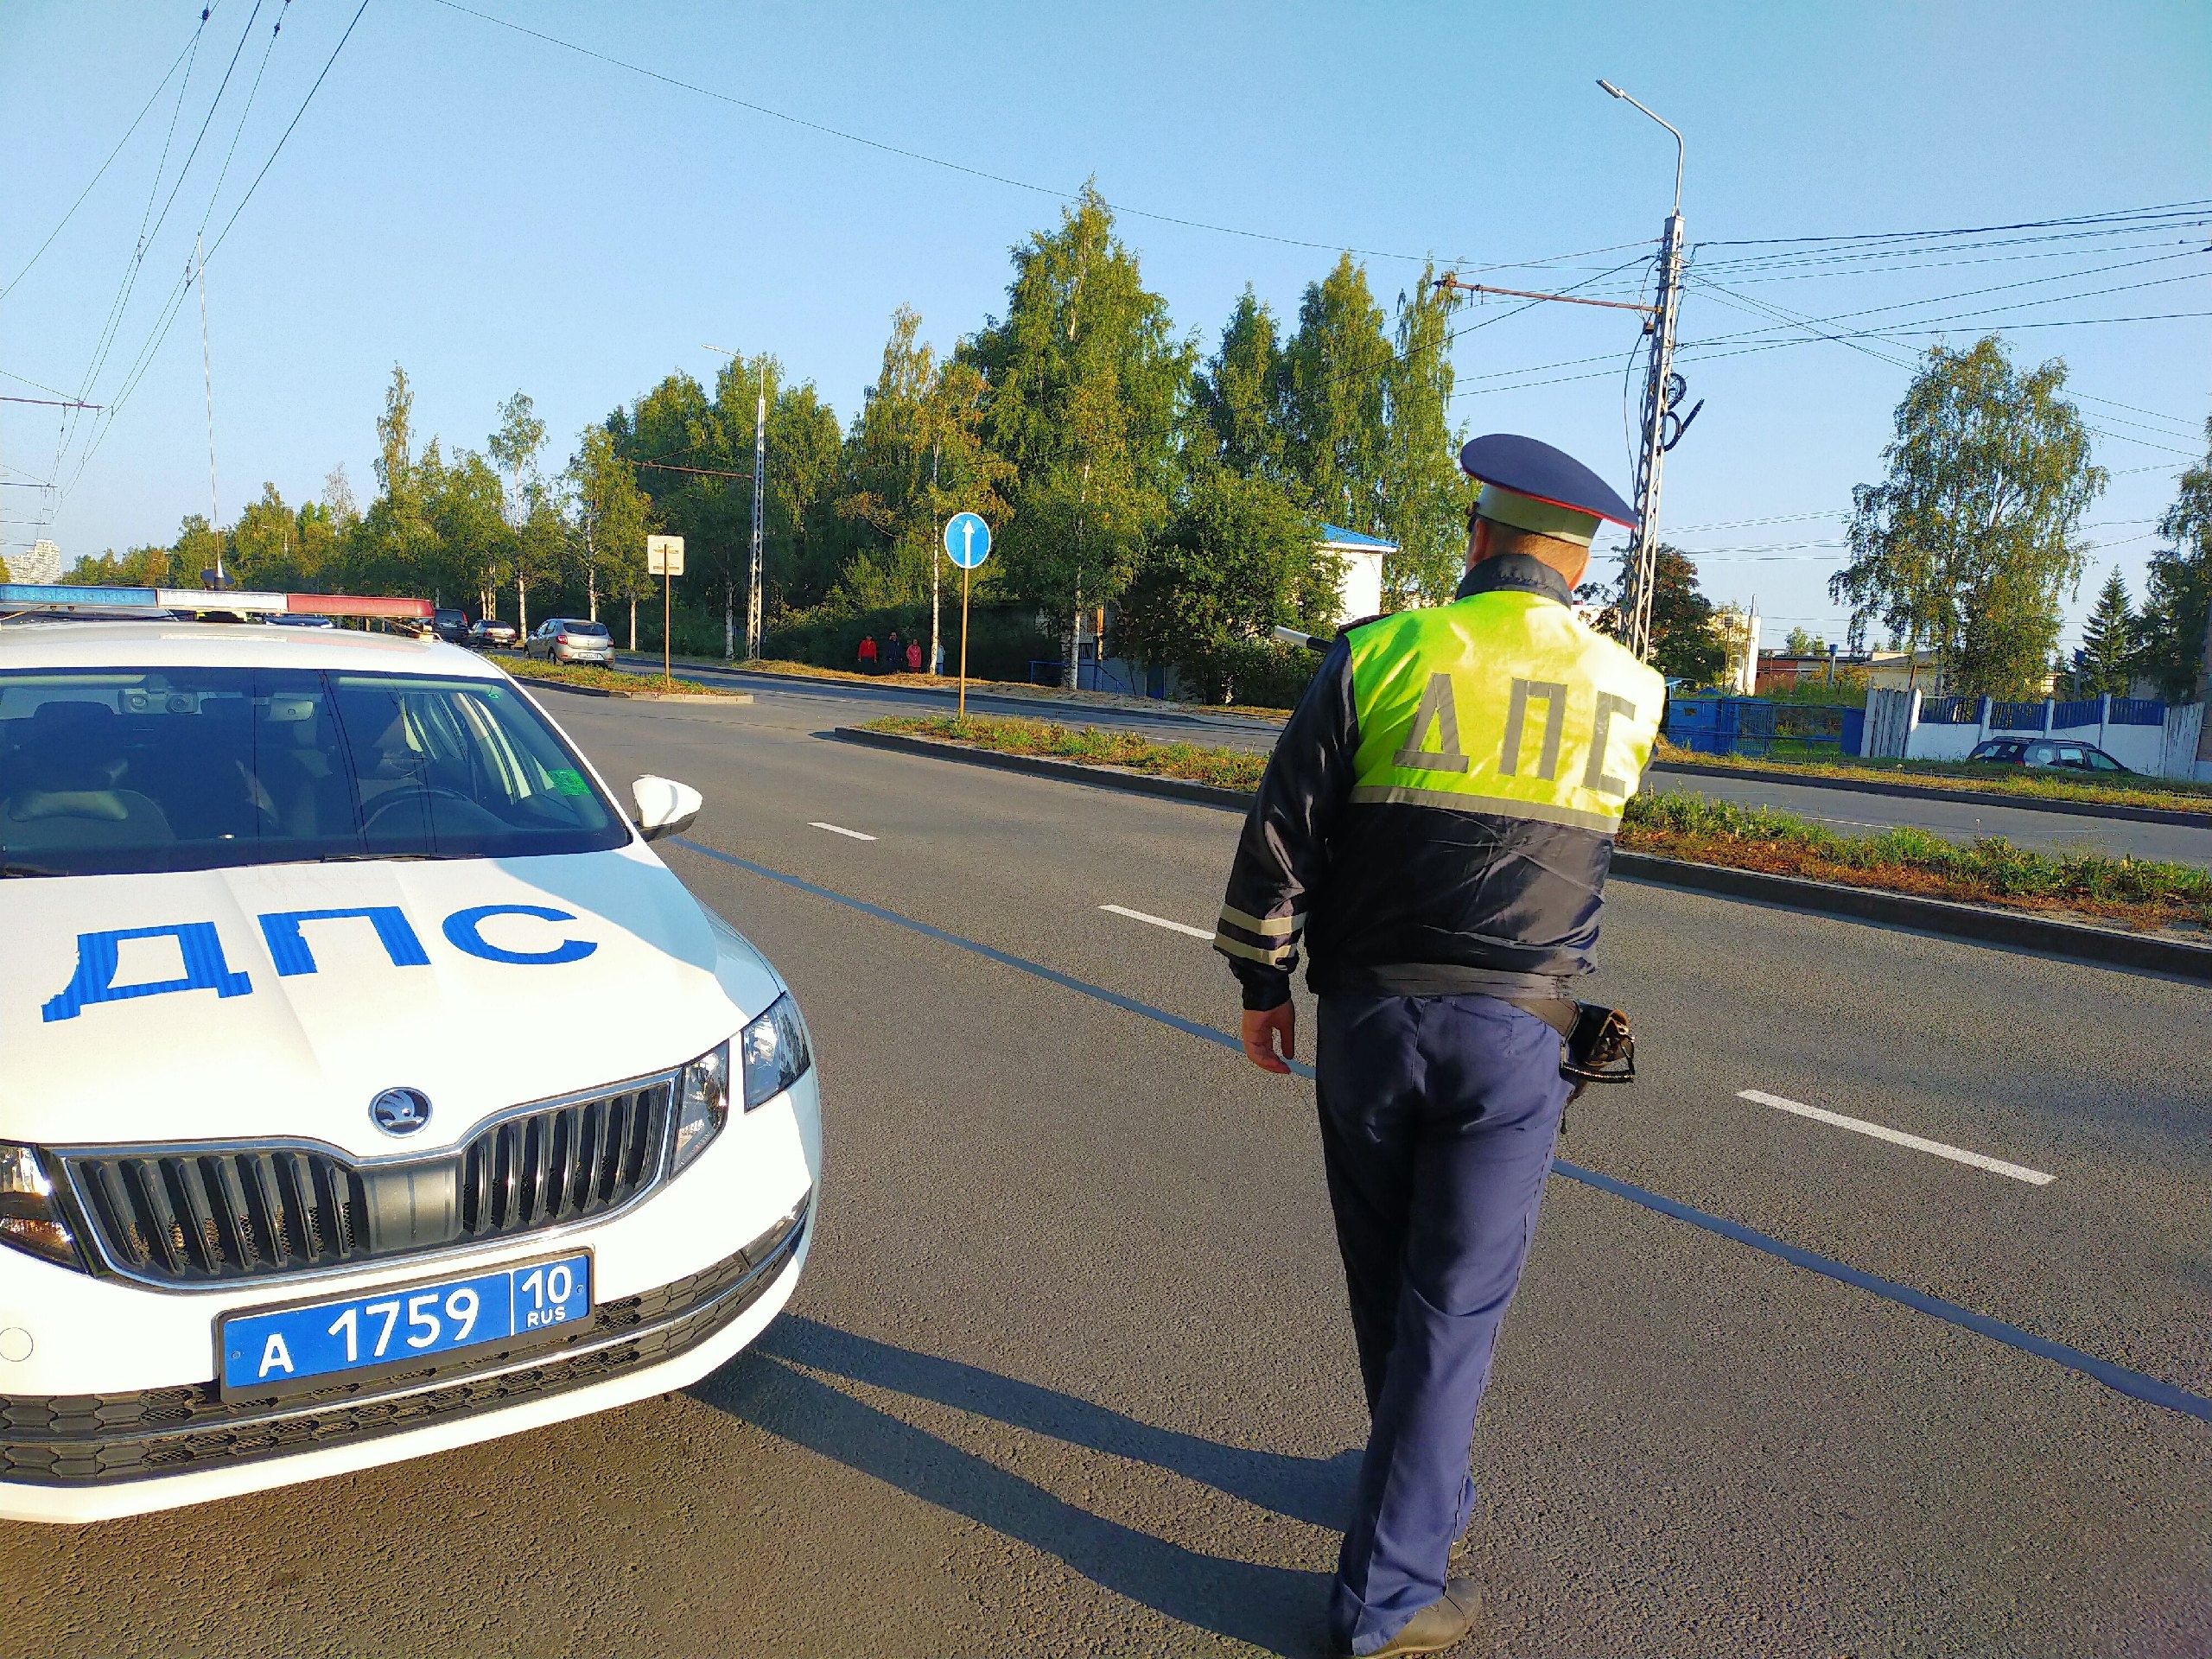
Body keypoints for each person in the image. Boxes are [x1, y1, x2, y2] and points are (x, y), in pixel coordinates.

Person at [1212, 434, 1664, 1657]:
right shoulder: (1631, 690)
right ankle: (1390, 1596)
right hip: (1517, 1036)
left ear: (1476, 536)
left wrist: (1263, 981)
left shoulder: (1379, 655)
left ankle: (1412, 1495)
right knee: (1453, 1305)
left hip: (1369, 1021)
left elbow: (1283, 835)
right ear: (1579, 563)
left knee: (1385, 1277)